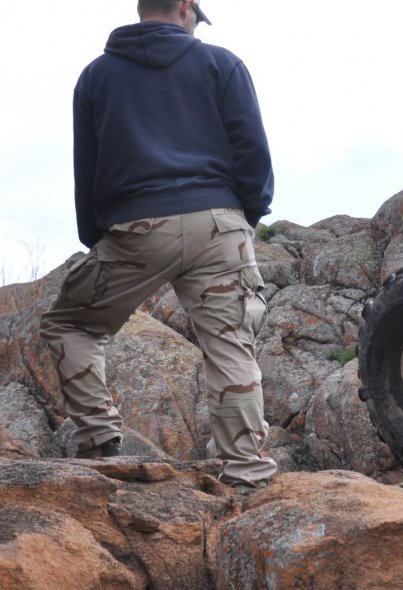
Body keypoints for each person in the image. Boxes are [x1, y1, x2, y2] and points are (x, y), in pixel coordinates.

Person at [40, 0, 276, 492]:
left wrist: (95, 236)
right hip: (220, 222)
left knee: (71, 323)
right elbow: (252, 150)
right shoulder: (222, 64)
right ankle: (249, 478)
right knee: (230, 347)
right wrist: (241, 218)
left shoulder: (96, 76)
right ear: (188, 7)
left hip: (135, 227)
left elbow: (88, 166)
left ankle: (102, 443)